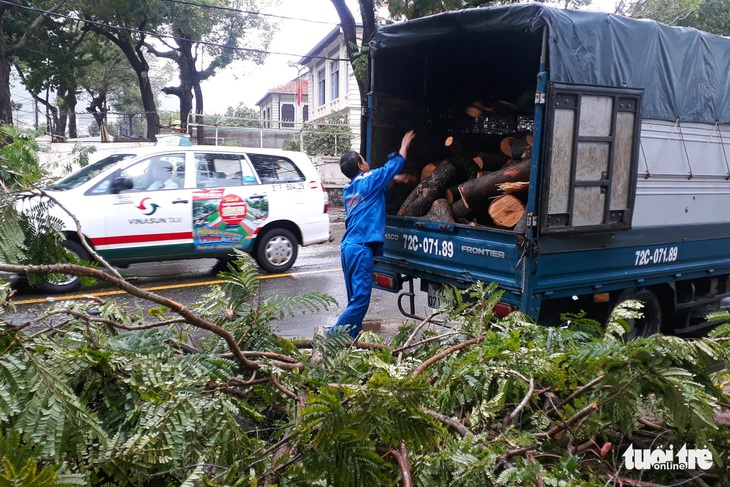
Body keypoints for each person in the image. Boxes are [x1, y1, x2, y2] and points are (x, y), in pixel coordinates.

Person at [329, 130, 416, 338]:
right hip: (360, 250)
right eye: (364, 160)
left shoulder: (349, 189)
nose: (367, 163)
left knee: (354, 301)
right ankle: (333, 338)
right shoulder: (369, 179)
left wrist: (392, 179)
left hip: (348, 248)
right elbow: (392, 166)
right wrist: (404, 147)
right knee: (360, 301)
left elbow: (374, 193)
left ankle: (350, 341)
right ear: (360, 166)